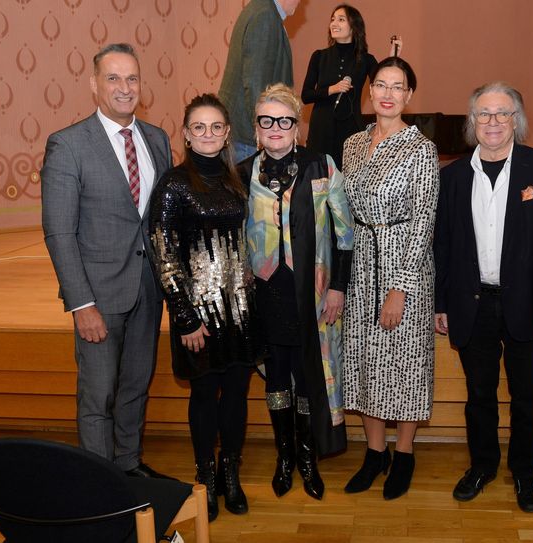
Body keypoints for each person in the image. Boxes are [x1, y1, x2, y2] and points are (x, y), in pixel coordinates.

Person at [433, 82, 533, 513]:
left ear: (517, 120)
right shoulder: (451, 176)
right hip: (472, 303)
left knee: (527, 397)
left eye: (502, 113)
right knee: (479, 396)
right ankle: (483, 466)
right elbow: (443, 246)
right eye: (484, 114)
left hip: (529, 304)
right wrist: (441, 303)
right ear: (472, 122)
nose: (493, 122)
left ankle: (524, 472)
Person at [41, 43, 173, 478]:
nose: (124, 87)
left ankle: (129, 465)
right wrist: (82, 305)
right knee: (98, 396)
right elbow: (59, 232)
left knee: (135, 387)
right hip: (97, 298)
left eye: (132, 78)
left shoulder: (157, 139)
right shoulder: (69, 144)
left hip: (148, 292)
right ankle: (101, 482)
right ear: (94, 84)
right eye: (113, 78)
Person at [241, 83, 354, 501]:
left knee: (308, 378)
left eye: (284, 120)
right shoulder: (243, 173)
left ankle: (308, 458)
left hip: (313, 294)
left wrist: (339, 288)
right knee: (277, 381)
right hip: (266, 297)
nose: (275, 128)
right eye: (266, 120)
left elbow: (346, 235)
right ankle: (283, 457)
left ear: (296, 125)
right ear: (257, 127)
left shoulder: (321, 166)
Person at [148, 94, 257, 521]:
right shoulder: (174, 184)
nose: (208, 134)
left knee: (235, 394)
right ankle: (206, 477)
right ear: (187, 135)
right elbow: (163, 251)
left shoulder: (236, 180)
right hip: (197, 314)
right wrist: (185, 316)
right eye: (199, 127)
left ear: (227, 133)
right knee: (203, 396)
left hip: (240, 310)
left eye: (216, 127)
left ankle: (231, 472)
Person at [341, 56, 439, 500]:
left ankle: (403, 453)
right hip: (361, 261)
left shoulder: (421, 148)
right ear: (370, 90)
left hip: (406, 263)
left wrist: (399, 287)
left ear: (409, 96)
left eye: (397, 87)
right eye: (380, 84)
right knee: (364, 360)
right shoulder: (352, 145)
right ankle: (373, 452)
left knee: (404, 362)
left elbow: (423, 221)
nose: (387, 93)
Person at [301, 3, 402, 170]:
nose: (334, 23)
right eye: (332, 19)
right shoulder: (319, 56)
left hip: (351, 129)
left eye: (341, 20)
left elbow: (383, 83)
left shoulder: (366, 60)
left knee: (349, 178)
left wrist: (393, 56)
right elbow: (306, 95)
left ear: (354, 26)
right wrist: (332, 89)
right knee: (318, 178)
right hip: (321, 129)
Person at [219, 0, 301, 162]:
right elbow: (256, 82)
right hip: (248, 138)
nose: (300, 2)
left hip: (242, 134)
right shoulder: (266, 16)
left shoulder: (260, 9)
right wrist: (264, 131)